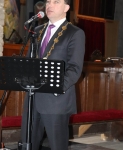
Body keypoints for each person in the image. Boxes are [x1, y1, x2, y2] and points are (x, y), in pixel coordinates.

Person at [21, 0, 85, 150]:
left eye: (56, 2)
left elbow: (75, 68)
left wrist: (56, 87)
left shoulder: (75, 33)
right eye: (48, 1)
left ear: (67, 8)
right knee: (27, 145)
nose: (49, 5)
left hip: (56, 101)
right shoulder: (36, 31)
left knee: (57, 146)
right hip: (33, 98)